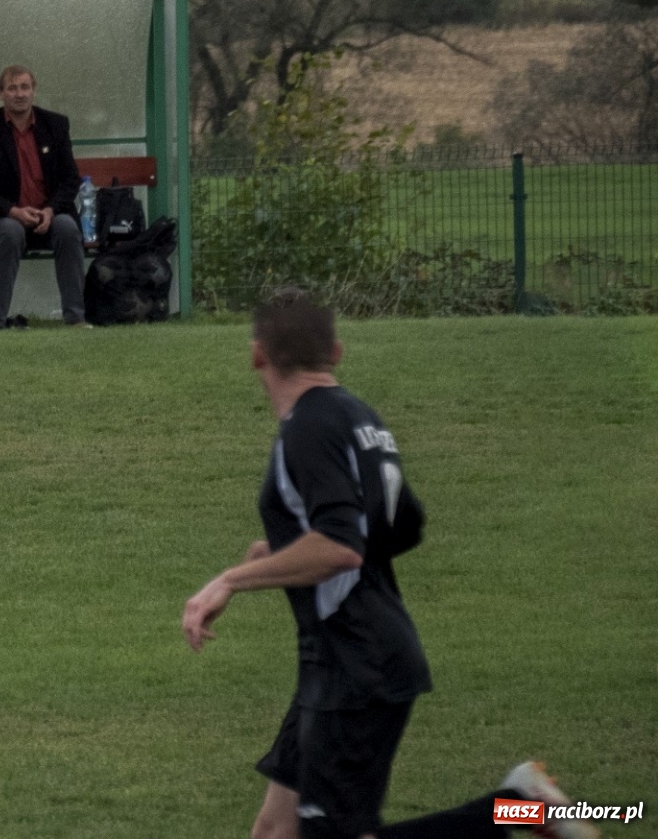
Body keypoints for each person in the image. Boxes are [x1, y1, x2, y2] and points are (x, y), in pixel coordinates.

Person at [182, 289, 599, 839]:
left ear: (257, 354)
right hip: (337, 659)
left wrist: (230, 580)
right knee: (275, 832)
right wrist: (281, 555)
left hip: (356, 665)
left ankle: (521, 804)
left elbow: (340, 546)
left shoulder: (307, 429)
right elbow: (402, 524)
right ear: (337, 351)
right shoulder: (359, 417)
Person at [0, 65, 88, 329]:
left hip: (49, 215)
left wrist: (51, 210)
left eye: (24, 87)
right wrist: (12, 210)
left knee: (67, 228)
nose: (19, 94)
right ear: (1, 94)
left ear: (34, 91)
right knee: (10, 232)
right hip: (4, 217)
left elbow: (70, 179)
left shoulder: (56, 125)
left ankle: (76, 317)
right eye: (12, 88)